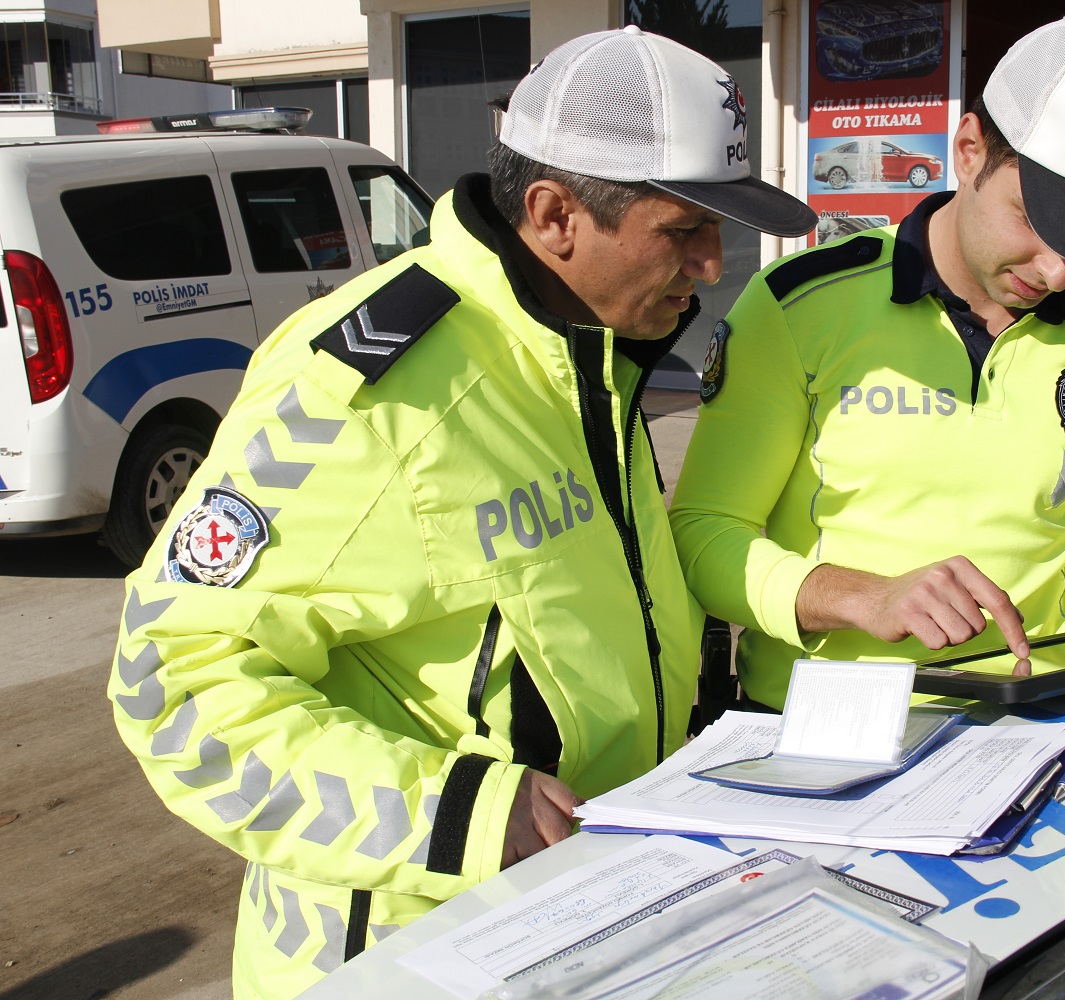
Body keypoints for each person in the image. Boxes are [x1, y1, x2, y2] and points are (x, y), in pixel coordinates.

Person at [107, 26, 816, 1000]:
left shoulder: (591, 353)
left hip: (581, 916)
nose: (710, 264)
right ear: (556, 213)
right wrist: (455, 811)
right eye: (684, 229)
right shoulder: (372, 392)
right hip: (403, 957)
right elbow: (171, 683)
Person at [669, 14, 1065, 712]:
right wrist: (860, 596)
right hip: (825, 733)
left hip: (1043, 724)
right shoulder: (800, 306)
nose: (1055, 272)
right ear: (967, 149)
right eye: (1035, 220)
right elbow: (706, 533)